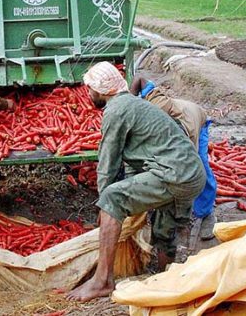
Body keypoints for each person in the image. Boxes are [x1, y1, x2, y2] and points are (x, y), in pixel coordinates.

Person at [66, 62, 206, 302]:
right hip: (191, 174)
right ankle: (165, 279)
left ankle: (102, 281)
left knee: (112, 198)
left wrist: (105, 205)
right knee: (164, 227)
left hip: (173, 173)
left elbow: (108, 162)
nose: (89, 94)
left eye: (90, 89)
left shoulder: (116, 109)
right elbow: (133, 159)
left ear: (102, 90)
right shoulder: (135, 104)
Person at [130, 75, 217, 241]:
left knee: (201, 167)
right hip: (179, 111)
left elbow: (186, 173)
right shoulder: (156, 107)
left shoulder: (187, 140)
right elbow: (140, 79)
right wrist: (130, 97)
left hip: (198, 119)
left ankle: (205, 213)